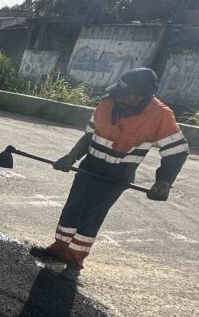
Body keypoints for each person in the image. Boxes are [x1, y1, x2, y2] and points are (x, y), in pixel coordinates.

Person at [32, 68, 189, 280]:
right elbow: (90, 135)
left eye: (125, 95)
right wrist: (71, 157)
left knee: (92, 216)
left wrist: (163, 182)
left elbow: (177, 152)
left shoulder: (160, 115)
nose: (118, 98)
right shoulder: (108, 102)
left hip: (117, 175)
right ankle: (59, 249)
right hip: (90, 166)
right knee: (72, 208)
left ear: (142, 95)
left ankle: (75, 262)